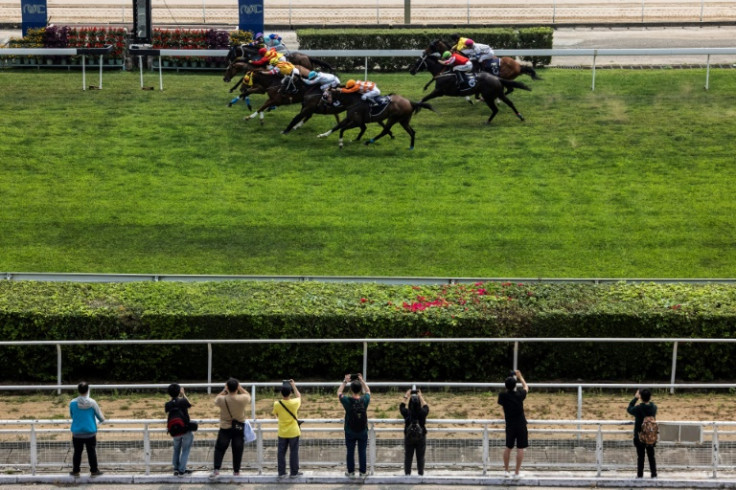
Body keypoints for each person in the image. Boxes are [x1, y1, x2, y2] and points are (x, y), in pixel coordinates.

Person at [211, 378, 251, 478]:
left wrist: (225, 390)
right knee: (237, 449)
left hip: (225, 427)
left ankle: (216, 469)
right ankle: (236, 471)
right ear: (237, 388)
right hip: (238, 427)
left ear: (227, 387)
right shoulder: (242, 399)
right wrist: (240, 387)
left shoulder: (222, 399)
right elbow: (248, 395)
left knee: (220, 448)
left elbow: (216, 399)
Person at [338, 373, 371, 479]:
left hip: (349, 430)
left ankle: (351, 472)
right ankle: (362, 472)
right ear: (360, 389)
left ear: (351, 390)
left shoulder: (347, 400)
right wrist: (362, 381)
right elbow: (368, 391)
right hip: (363, 431)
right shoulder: (364, 400)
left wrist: (345, 381)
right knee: (362, 452)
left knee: (350, 452)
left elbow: (339, 392)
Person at [69, 381, 105, 477]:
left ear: (78, 390)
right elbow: (101, 417)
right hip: (90, 432)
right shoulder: (93, 402)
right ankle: (94, 470)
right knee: (91, 452)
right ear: (88, 390)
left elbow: (72, 415)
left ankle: (75, 470)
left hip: (77, 432)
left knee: (77, 452)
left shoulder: (72, 403)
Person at [497, 370, 529, 479]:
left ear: (506, 385)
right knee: (520, 449)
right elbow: (526, 387)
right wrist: (520, 377)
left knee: (508, 447)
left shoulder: (502, 396)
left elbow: (507, 390)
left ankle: (506, 471)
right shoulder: (520, 395)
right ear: (515, 384)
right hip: (521, 424)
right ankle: (516, 473)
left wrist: (510, 379)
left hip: (510, 425)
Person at [273, 379, 303, 478]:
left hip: (282, 432)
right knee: (294, 452)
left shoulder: (277, 404)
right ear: (290, 393)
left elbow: (276, 414)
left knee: (281, 453)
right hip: (293, 431)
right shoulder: (294, 403)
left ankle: (281, 472)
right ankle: (294, 472)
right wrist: (294, 385)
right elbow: (299, 396)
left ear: (281, 393)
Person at [627, 389, 658, 479]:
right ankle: (654, 474)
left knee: (641, 457)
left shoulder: (638, 408)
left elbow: (629, 409)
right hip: (651, 436)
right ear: (650, 397)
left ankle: (640, 475)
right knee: (651, 456)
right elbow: (651, 404)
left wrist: (635, 398)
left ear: (640, 397)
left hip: (639, 436)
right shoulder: (654, 407)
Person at [165, 383, 194, 477]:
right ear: (179, 392)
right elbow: (190, 405)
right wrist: (183, 394)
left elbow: (172, 404)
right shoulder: (183, 401)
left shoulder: (168, 404)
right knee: (185, 450)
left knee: (176, 449)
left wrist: (174, 397)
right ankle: (182, 470)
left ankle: (176, 469)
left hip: (175, 431)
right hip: (185, 429)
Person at [399, 387, 429, 476]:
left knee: (408, 457)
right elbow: (426, 407)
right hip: (421, 437)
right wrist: (421, 396)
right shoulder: (422, 412)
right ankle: (420, 474)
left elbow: (401, 406)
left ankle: (407, 474)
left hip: (409, 437)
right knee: (420, 458)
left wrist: (406, 396)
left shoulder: (407, 413)